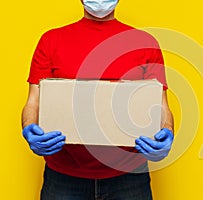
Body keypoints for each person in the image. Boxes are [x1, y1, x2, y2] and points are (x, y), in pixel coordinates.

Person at [22, 0, 174, 199]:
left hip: (129, 177)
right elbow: (34, 100)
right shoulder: (51, 40)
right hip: (63, 177)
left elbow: (160, 105)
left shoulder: (145, 42)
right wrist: (29, 128)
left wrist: (167, 132)